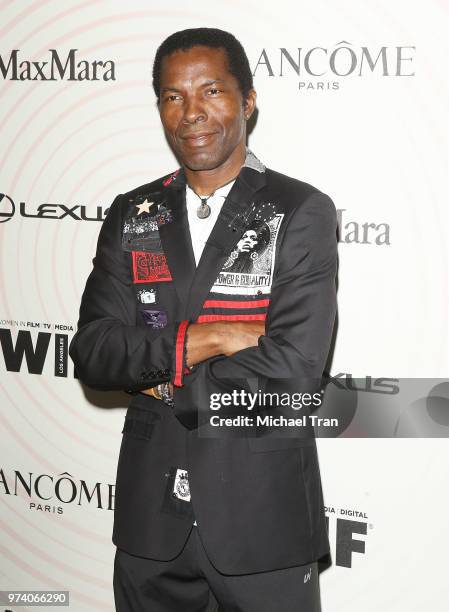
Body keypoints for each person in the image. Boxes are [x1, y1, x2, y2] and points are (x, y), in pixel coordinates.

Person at [69, 27, 338, 612]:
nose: (191, 113)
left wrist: (161, 377)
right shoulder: (131, 213)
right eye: (172, 96)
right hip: (149, 523)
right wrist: (206, 339)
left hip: (261, 518)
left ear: (248, 100)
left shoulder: (298, 210)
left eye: (211, 90)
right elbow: (93, 351)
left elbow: (295, 369)